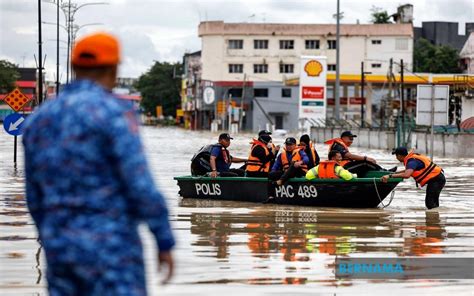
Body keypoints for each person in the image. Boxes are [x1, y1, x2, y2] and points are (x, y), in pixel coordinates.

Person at [22, 32, 175, 296]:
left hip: (60, 250)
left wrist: (51, 236)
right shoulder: (113, 113)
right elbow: (139, 184)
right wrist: (163, 239)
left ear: (75, 67)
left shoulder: (39, 120)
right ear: (114, 68)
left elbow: (34, 196)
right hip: (112, 250)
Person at [381, 147, 445, 209]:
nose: (396, 158)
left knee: (430, 203)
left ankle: (433, 217)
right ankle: (435, 216)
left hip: (436, 180)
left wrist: (390, 176)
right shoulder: (411, 159)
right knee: (432, 202)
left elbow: (407, 175)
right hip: (436, 179)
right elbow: (408, 170)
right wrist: (395, 173)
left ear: (400, 156)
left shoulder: (411, 162)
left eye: (396, 156)